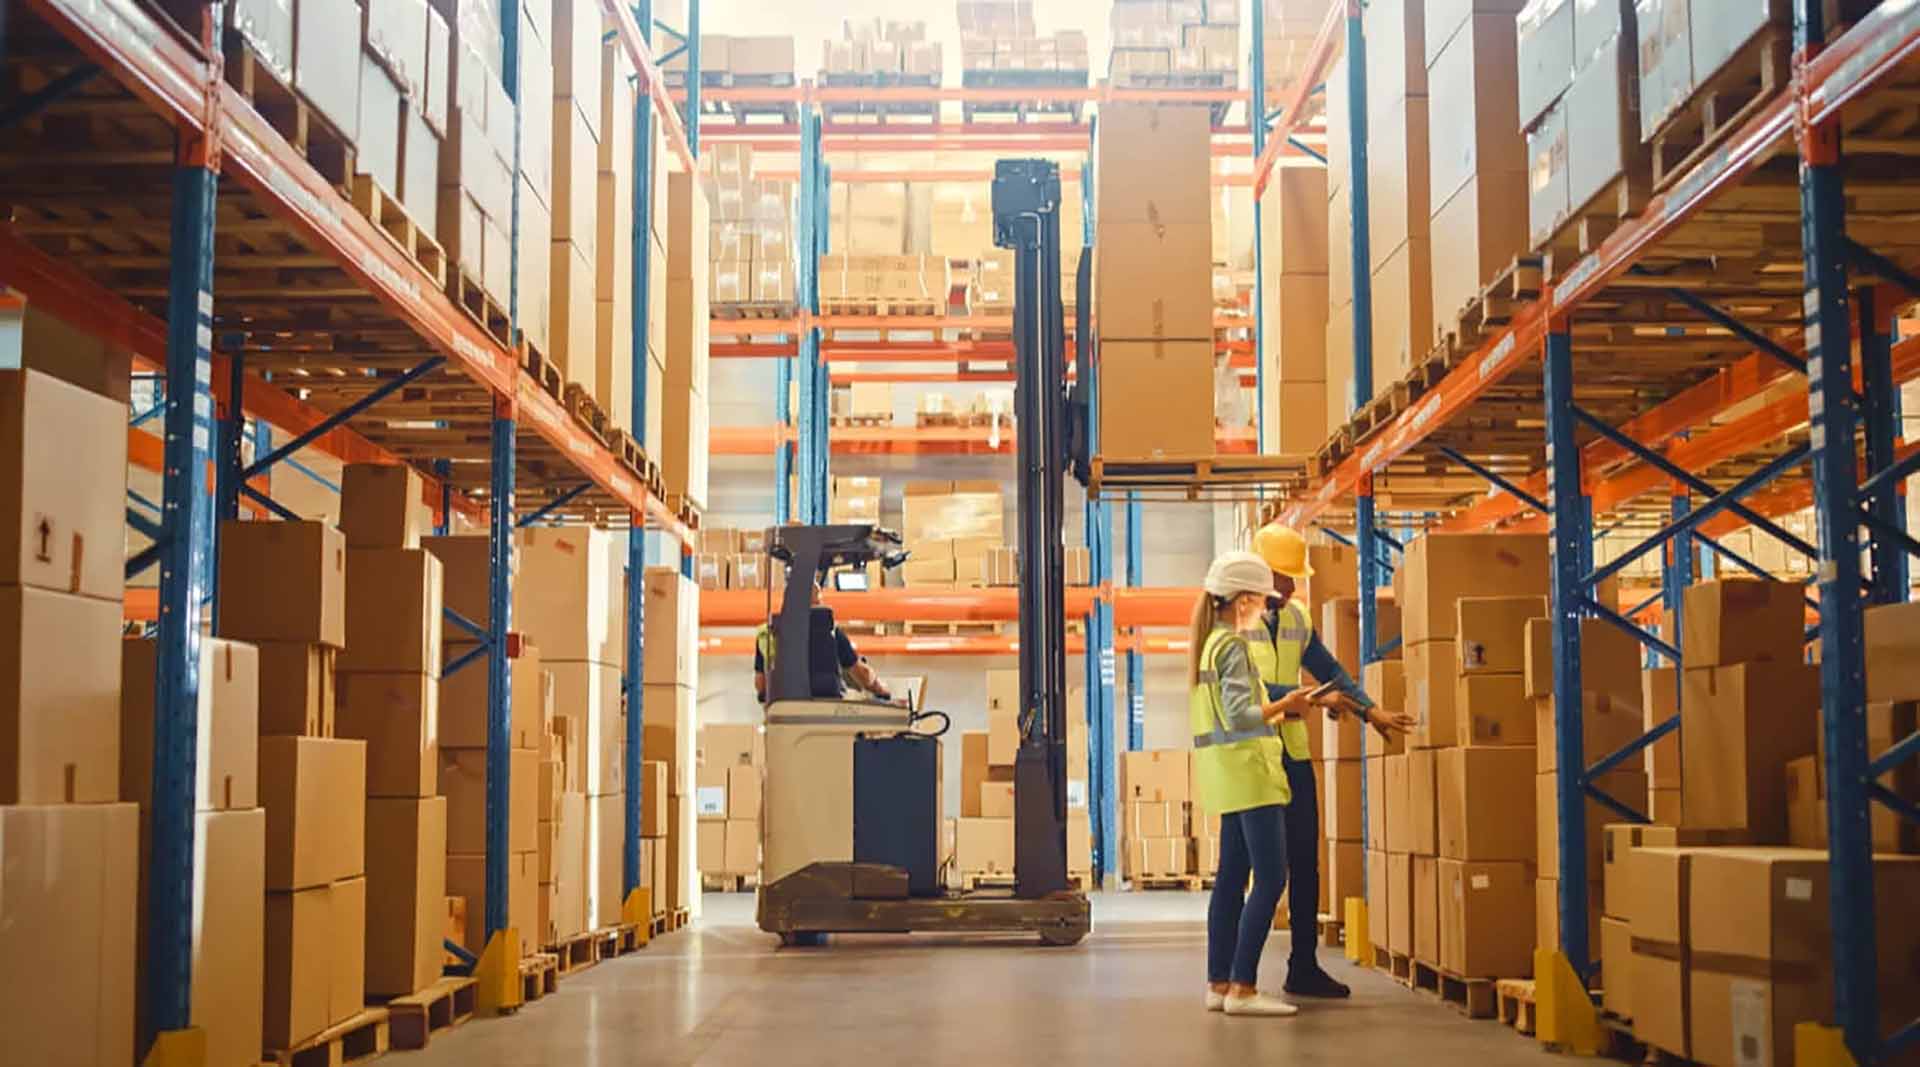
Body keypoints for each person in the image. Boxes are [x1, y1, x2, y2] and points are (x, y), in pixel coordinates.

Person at [1248, 522, 1416, 998]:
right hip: (1252, 761)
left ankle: (1303, 966)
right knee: (1257, 873)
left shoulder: (1296, 618)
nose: (1291, 586)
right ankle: (1239, 979)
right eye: (1283, 577)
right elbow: (1253, 693)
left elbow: (1331, 672)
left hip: (1293, 758)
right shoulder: (1237, 620)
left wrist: (1370, 709)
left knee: (1306, 863)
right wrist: (1314, 700)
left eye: (1292, 578)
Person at [1192, 550, 1326, 1018]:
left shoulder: (1211, 642)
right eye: (1264, 601)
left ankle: (1219, 981)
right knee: (1271, 878)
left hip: (1230, 773)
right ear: (1244, 599)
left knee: (1231, 877)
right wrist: (1285, 704)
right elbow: (1241, 713)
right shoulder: (1233, 646)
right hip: (1253, 773)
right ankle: (1244, 988)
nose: (1269, 609)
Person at [753, 576, 892, 703]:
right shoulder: (830, 631)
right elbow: (863, 675)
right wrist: (880, 688)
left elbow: (761, 684)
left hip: (783, 706)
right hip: (827, 705)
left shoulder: (768, 633)